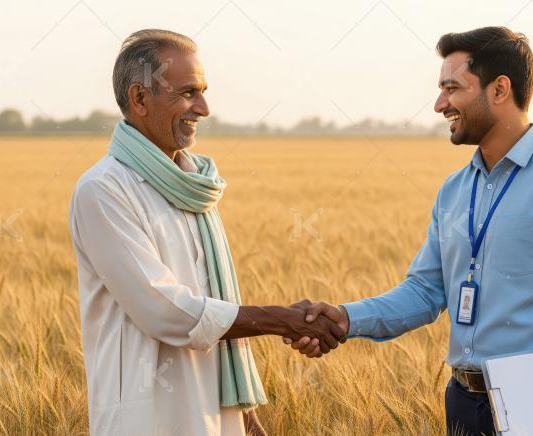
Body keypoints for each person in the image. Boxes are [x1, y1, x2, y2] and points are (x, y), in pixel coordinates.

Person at [286, 26, 533, 436]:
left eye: (452, 88)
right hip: (463, 401)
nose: (440, 104)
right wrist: (343, 318)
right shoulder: (454, 191)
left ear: (500, 90)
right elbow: (424, 293)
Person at [68, 29, 345, 436]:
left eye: (203, 91)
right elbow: (165, 309)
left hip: (217, 419)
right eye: (188, 93)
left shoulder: (195, 185)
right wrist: (282, 320)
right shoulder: (104, 190)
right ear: (140, 99)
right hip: (148, 421)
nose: (205, 107)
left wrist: (246, 418)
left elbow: (213, 302)